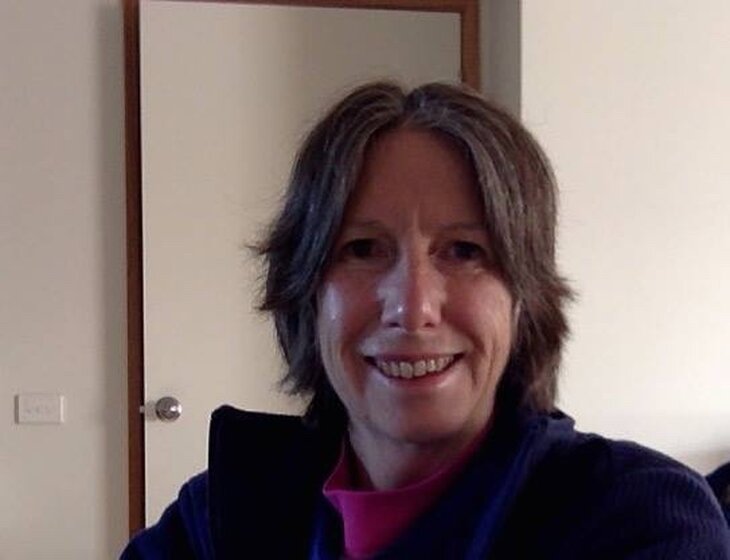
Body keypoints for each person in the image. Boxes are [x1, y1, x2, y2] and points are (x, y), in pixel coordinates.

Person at [122, 82, 729, 559]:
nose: (412, 308)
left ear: (523, 296)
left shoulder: (636, 517)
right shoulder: (224, 513)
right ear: (305, 290)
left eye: (465, 251)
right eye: (362, 249)